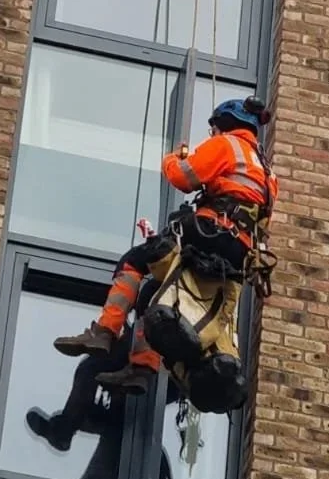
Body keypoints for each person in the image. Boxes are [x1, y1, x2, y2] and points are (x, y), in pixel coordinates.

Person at [53, 96, 278, 396]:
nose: (213, 133)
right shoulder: (267, 173)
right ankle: (142, 368)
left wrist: (173, 158)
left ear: (225, 123)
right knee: (151, 294)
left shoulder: (226, 145)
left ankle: (105, 331)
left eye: (215, 128)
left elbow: (183, 177)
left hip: (209, 232)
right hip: (238, 252)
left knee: (135, 260)